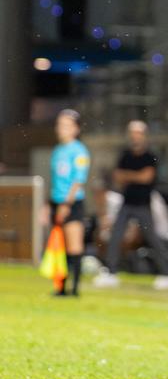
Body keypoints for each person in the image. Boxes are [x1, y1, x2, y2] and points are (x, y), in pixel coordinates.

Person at [94, 120, 168, 289]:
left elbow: (147, 177)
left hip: (143, 204)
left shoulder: (150, 156)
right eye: (132, 133)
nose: (135, 137)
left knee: (152, 238)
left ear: (144, 135)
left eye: (138, 133)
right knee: (116, 236)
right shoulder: (125, 155)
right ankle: (111, 272)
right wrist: (136, 176)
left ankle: (167, 273)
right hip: (127, 202)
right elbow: (118, 177)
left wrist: (129, 176)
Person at [47, 109, 89, 296]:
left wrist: (66, 204)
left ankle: (75, 288)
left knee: (74, 245)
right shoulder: (57, 151)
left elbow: (78, 180)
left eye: (66, 125)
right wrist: (48, 204)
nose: (61, 129)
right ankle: (61, 287)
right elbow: (55, 180)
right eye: (59, 125)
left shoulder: (79, 151)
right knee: (59, 246)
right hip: (56, 201)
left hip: (72, 203)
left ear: (76, 129)